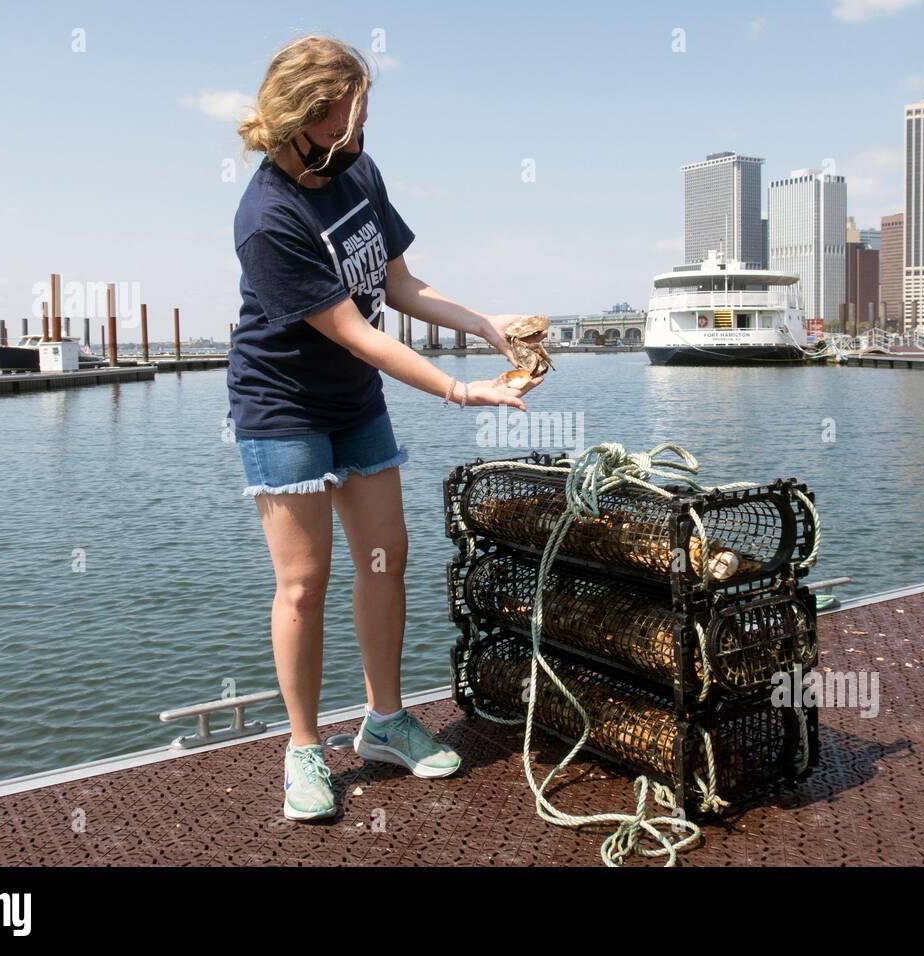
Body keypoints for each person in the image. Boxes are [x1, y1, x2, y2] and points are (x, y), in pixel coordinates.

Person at [227, 36, 543, 820]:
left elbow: (399, 285)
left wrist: (486, 325)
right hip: (283, 405)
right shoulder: (268, 217)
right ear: (306, 116)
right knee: (303, 584)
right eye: (350, 114)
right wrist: (459, 392)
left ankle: (384, 721)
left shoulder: (358, 170)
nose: (362, 128)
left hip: (354, 400)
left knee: (386, 558)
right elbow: (357, 331)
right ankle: (305, 749)